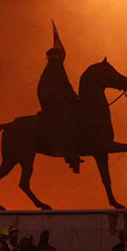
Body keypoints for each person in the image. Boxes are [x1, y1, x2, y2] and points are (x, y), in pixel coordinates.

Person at [37, 23, 81, 172]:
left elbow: (66, 87)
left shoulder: (55, 69)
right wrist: (69, 99)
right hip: (52, 104)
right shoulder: (54, 69)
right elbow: (61, 87)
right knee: (70, 121)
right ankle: (70, 153)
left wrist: (74, 98)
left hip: (57, 101)